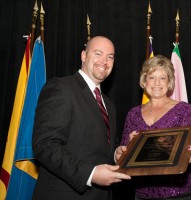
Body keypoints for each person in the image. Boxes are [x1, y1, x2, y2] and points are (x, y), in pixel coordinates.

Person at [32, 36, 131, 200]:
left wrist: (116, 154)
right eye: (98, 53)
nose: (104, 61)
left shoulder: (109, 105)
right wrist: (90, 174)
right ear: (84, 56)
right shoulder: (61, 87)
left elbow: (102, 148)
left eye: (110, 57)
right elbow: (45, 145)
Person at [119, 55, 191, 200]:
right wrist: (127, 149)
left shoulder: (183, 110)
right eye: (151, 77)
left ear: (169, 82)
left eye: (162, 77)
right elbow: (123, 154)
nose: (157, 83)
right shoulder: (133, 114)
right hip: (143, 192)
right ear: (144, 80)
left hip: (179, 192)